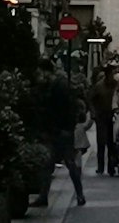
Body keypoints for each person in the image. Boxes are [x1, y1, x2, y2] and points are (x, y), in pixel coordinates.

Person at [34, 72, 86, 207]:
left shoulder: (56, 89)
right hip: (63, 131)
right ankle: (79, 194)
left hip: (58, 131)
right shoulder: (61, 88)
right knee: (68, 163)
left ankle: (44, 196)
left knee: (51, 164)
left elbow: (53, 111)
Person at [88, 66, 117, 176]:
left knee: (112, 142)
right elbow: (90, 99)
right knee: (101, 141)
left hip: (113, 115)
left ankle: (111, 166)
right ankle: (100, 166)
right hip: (101, 116)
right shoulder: (99, 86)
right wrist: (93, 112)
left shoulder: (116, 85)